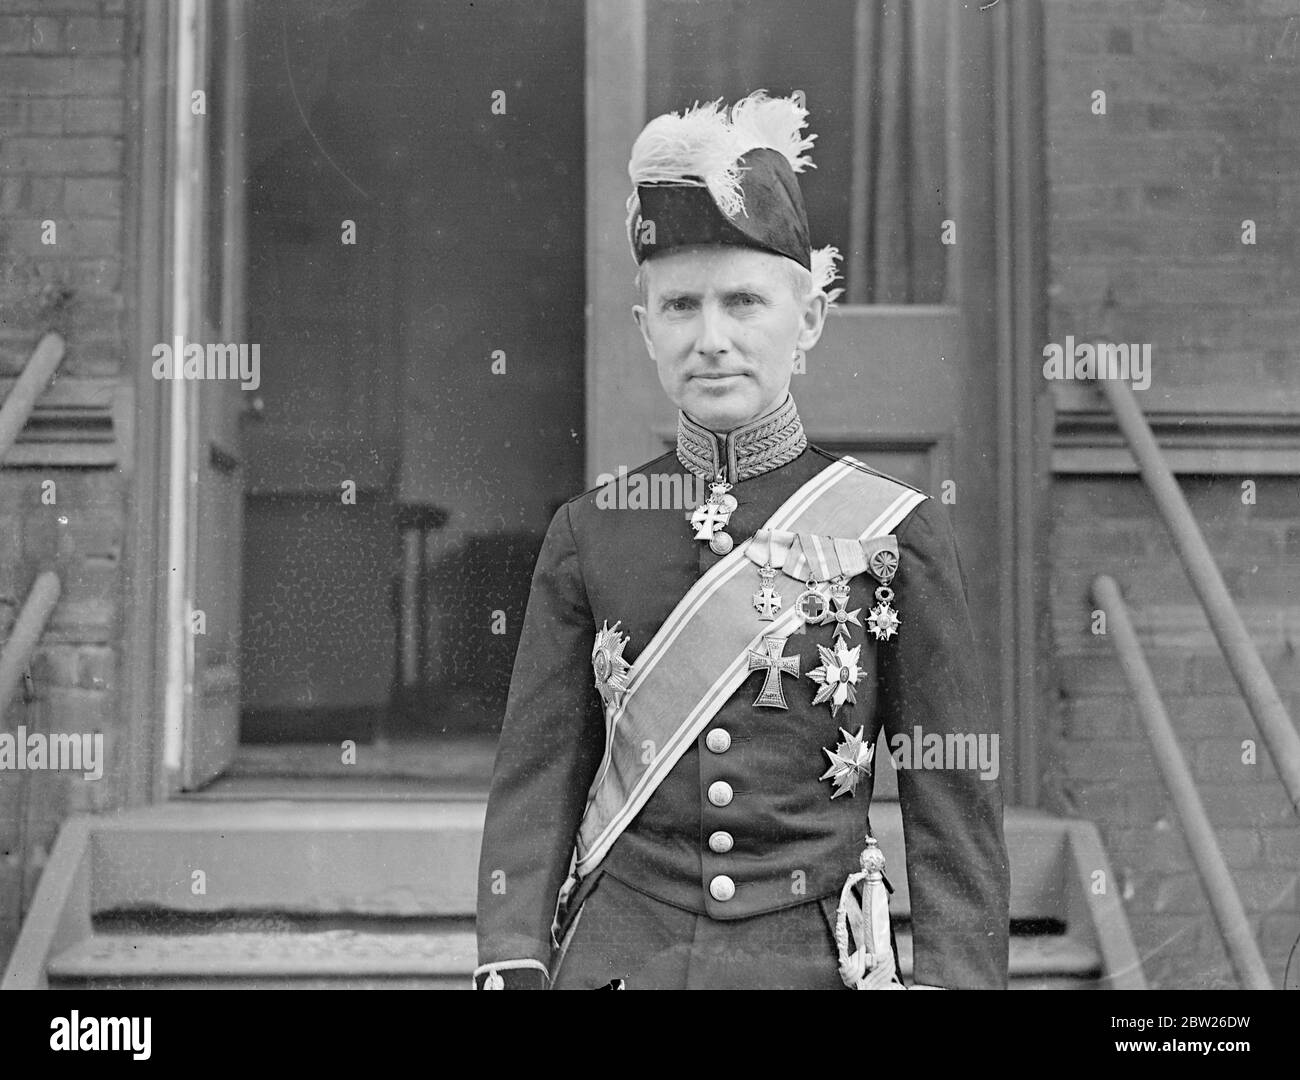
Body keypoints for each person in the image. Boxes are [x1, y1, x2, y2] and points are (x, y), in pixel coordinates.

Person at [474, 91, 1009, 990]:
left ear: (807, 323)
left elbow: (950, 808)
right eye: (681, 306)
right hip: (619, 959)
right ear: (646, 331)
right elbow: (537, 782)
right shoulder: (590, 532)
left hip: (806, 960)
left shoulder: (895, 535)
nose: (711, 339)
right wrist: (514, 960)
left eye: (744, 302)